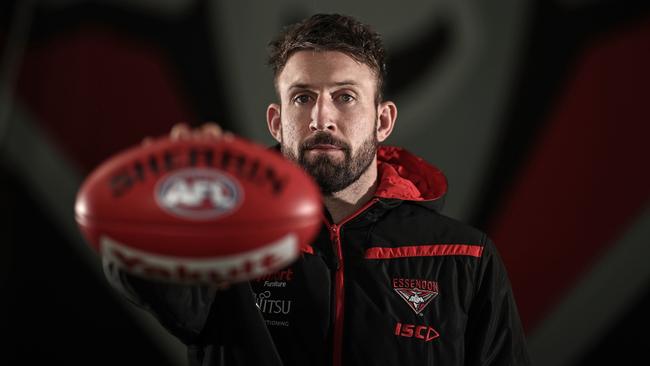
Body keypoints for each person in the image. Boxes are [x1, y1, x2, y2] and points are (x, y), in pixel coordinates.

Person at [104, 13, 531, 366]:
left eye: (345, 97)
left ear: (383, 121)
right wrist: (155, 207)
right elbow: (148, 278)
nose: (320, 118)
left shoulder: (465, 258)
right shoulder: (229, 237)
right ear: (276, 120)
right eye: (302, 97)